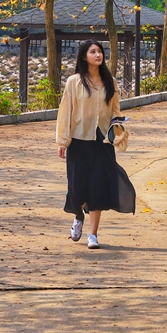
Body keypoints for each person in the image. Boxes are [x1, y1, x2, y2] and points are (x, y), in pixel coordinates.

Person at [55, 38, 136, 248]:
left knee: (98, 187)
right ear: (84, 56)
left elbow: (116, 111)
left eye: (100, 51)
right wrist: (63, 141)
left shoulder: (111, 82)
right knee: (77, 187)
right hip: (79, 140)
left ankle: (93, 235)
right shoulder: (74, 82)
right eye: (93, 51)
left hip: (102, 142)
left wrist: (119, 129)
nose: (98, 55)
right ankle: (78, 217)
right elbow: (65, 112)